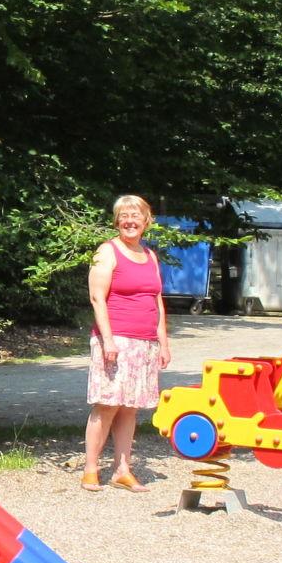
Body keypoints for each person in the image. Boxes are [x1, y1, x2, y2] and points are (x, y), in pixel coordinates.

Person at [81, 194, 170, 490]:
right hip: (116, 339)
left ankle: (122, 469)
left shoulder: (150, 256)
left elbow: (156, 299)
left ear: (147, 221)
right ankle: (91, 469)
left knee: (130, 407)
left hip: (144, 343)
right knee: (107, 404)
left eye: (136, 217)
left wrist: (163, 342)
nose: (130, 222)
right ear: (117, 221)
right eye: (124, 217)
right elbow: (97, 297)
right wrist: (108, 340)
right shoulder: (107, 252)